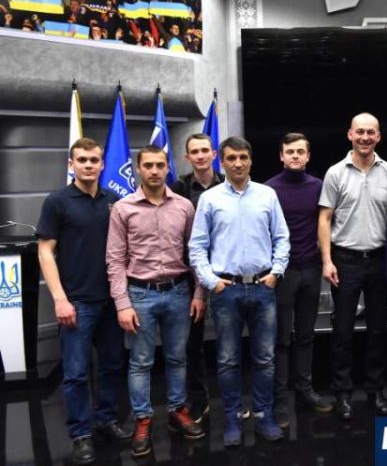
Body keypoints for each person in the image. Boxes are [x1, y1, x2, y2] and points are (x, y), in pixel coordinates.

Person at [189, 137, 290, 447]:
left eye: (243, 157)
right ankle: (232, 418)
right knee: (228, 360)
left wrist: (276, 272)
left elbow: (282, 238)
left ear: (250, 160)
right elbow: (197, 246)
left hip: (263, 288)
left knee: (265, 358)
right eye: (231, 158)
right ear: (222, 161)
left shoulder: (267, 195)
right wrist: (211, 282)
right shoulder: (210, 199)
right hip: (226, 290)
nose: (238, 163)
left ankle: (263, 415)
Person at [106, 146, 206, 458]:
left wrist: (199, 293)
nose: (153, 171)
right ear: (138, 168)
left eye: (159, 165)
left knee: (177, 357)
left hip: (179, 292)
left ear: (167, 168)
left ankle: (177, 410)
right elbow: (114, 259)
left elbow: (195, 252)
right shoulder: (123, 208)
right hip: (140, 294)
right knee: (141, 362)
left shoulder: (184, 207)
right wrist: (122, 304)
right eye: (148, 165)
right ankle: (143, 419)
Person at [36, 138, 129, 465]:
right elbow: (45, 252)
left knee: (111, 365)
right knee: (75, 373)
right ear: (71, 164)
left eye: (94, 160)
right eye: (82, 160)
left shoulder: (113, 200)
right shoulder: (57, 201)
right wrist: (60, 299)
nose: (88, 165)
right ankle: (80, 435)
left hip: (112, 301)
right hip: (77, 302)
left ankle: (106, 420)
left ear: (103, 164)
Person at [318, 112, 387, 420]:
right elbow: (324, 218)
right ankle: (342, 393)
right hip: (345, 261)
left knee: (378, 331)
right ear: (350, 135)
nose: (365, 137)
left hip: (379, 260)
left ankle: (375, 390)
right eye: (360, 132)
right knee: (342, 332)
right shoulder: (335, 172)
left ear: (378, 136)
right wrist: (327, 260)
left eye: (371, 132)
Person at [265, 133, 332, 427]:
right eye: (290, 151)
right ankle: (280, 400)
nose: (295, 156)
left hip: (311, 269)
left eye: (300, 151)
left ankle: (305, 390)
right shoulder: (269, 189)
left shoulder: (318, 186)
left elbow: (325, 223)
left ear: (308, 156)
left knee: (306, 335)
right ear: (282, 156)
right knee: (281, 339)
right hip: (282, 272)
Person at [171, 133, 224, 423]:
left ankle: (231, 402)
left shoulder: (228, 183)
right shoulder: (178, 188)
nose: (201, 156)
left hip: (226, 271)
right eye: (195, 151)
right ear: (187, 157)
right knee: (193, 343)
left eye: (205, 150)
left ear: (214, 154)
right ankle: (199, 400)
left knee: (229, 341)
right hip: (193, 274)